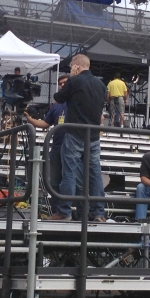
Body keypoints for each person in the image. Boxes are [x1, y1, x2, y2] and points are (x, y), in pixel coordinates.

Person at [48, 54, 107, 222]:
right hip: (93, 135)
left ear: (76, 67)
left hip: (74, 132)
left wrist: (72, 78)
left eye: (72, 67)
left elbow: (58, 99)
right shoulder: (101, 85)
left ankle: (64, 211)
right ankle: (99, 213)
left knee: (69, 173)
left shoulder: (74, 81)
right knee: (95, 174)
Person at [24, 74, 69, 214]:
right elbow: (45, 124)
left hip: (73, 146)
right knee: (54, 181)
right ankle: (57, 211)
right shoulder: (56, 106)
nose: (62, 85)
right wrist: (29, 119)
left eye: (65, 83)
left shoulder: (77, 102)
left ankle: (69, 211)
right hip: (56, 147)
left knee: (69, 179)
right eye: (60, 83)